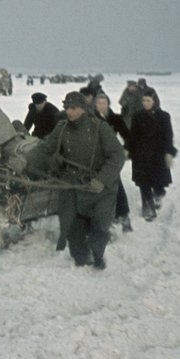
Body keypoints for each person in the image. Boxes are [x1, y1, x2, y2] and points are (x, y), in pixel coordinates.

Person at [26, 91, 125, 269]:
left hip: (99, 187)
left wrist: (102, 180)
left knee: (100, 225)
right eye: (66, 108)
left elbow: (118, 155)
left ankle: (97, 253)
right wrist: (24, 163)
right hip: (71, 184)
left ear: (83, 108)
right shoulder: (62, 127)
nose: (69, 112)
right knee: (72, 225)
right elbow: (45, 149)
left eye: (73, 108)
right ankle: (81, 257)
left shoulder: (99, 128)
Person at [126, 89, 177, 221]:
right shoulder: (137, 116)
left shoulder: (164, 116)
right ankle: (148, 209)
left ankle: (158, 194)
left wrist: (169, 152)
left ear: (155, 101)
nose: (145, 103)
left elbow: (168, 136)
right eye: (143, 100)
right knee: (144, 183)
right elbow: (133, 136)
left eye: (148, 100)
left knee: (158, 183)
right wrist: (128, 150)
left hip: (158, 155)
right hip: (141, 155)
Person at [94, 92, 132, 231]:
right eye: (99, 103)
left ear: (108, 104)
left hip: (111, 158)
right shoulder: (91, 119)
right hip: (95, 158)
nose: (101, 106)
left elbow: (128, 136)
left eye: (104, 103)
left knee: (116, 185)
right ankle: (109, 218)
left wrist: (125, 149)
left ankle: (123, 216)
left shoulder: (116, 119)